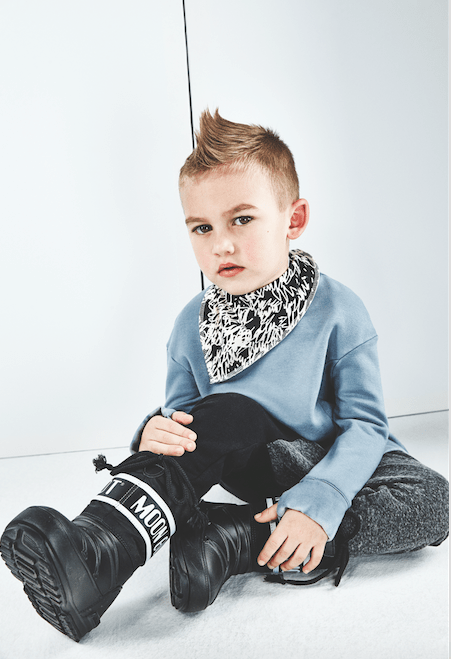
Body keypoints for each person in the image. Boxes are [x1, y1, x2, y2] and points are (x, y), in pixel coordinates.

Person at [1, 110, 448, 642]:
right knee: (227, 412)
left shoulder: (338, 309)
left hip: (328, 454)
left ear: (293, 220)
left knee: (433, 500)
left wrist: (323, 498)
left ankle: (234, 537)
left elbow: (367, 427)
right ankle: (99, 550)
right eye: (202, 227)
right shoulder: (190, 324)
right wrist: (153, 430)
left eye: (242, 220)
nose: (221, 245)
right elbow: (184, 420)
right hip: (250, 457)